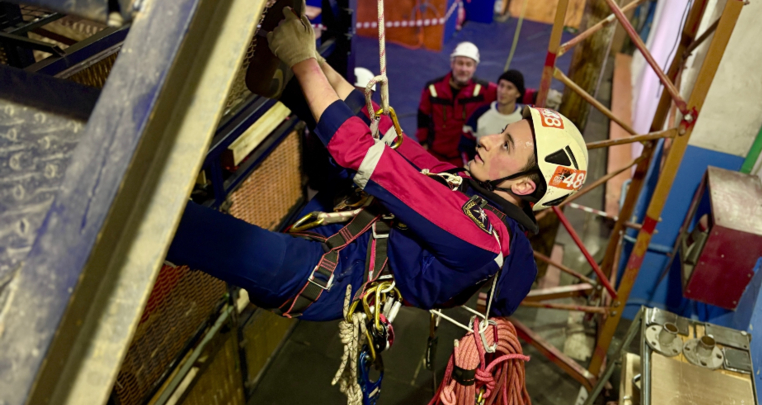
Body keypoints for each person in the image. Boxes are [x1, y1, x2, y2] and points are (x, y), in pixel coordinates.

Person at [166, 9, 589, 322]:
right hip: (343, 242)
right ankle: (293, 86)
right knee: (366, 129)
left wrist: (302, 59)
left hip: (329, 276)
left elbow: (367, 159)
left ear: (524, 187)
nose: (488, 139)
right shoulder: (470, 189)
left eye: (506, 144)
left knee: (181, 228)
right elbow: (398, 147)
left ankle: (294, 80)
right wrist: (319, 65)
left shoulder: (481, 238)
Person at [416, 42, 497, 167]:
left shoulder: (484, 90)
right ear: (452, 64)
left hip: (463, 159)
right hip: (433, 154)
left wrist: (537, 97)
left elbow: (511, 93)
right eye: (460, 63)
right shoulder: (433, 89)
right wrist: (423, 144)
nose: (464, 69)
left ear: (474, 67)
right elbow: (422, 116)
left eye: (468, 64)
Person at [460, 69, 526, 164]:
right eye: (501, 85)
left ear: (518, 93)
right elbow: (465, 145)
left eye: (509, 88)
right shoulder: (480, 113)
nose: (503, 91)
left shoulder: (523, 119)